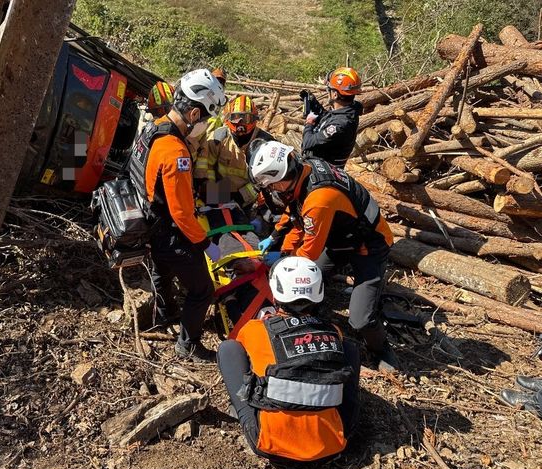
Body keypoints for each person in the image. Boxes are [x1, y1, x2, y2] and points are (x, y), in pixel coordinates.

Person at [249, 140, 398, 371]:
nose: (272, 192)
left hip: (369, 244)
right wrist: (283, 246)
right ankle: (308, 316)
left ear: (281, 178)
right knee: (311, 279)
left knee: (360, 319)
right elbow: (297, 217)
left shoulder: (319, 200)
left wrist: (282, 262)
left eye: (272, 187)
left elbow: (307, 254)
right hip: (339, 237)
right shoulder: (305, 170)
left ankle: (382, 350)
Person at [217, 256, 360, 463]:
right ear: (319, 293)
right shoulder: (333, 332)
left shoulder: (256, 330)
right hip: (333, 443)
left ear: (275, 293)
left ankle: (244, 411)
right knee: (349, 349)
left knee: (228, 349)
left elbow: (244, 354)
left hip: (270, 443)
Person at [129, 68, 226, 361]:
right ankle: (188, 345)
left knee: (161, 272)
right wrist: (207, 245)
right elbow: (182, 213)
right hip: (171, 232)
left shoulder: (153, 127)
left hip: (150, 220)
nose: (206, 125)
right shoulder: (176, 153)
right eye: (206, 118)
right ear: (195, 114)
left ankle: (164, 315)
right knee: (201, 289)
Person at [194, 95, 273, 207]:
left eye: (246, 118)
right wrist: (210, 188)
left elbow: (267, 178)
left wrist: (242, 197)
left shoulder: (266, 143)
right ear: (228, 118)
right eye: (235, 117)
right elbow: (206, 165)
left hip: (251, 195)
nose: (240, 124)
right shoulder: (218, 138)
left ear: (254, 119)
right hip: (220, 191)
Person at [299, 67, 363, 168]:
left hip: (321, 171)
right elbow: (328, 118)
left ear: (335, 94)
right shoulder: (347, 111)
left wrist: (309, 124)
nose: (327, 92)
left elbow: (307, 143)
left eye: (329, 90)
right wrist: (314, 104)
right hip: (318, 164)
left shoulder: (340, 125)